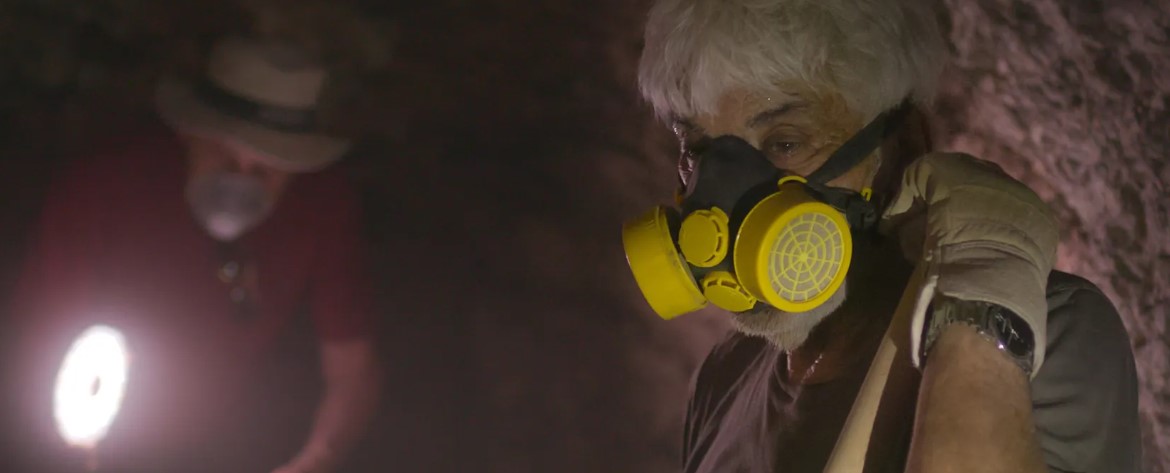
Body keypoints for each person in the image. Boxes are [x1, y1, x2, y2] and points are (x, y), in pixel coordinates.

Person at [629, 0, 1142, 471]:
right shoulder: (723, 379)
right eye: (700, 151)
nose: (722, 198)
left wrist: (985, 288)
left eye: (785, 142)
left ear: (902, 147)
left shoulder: (1050, 333)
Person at [7, 36, 381, 473]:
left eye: (268, 165)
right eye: (225, 154)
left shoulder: (322, 204)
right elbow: (38, 345)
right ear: (189, 133)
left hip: (217, 438)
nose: (240, 181)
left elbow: (352, 365)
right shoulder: (104, 188)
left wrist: (317, 459)